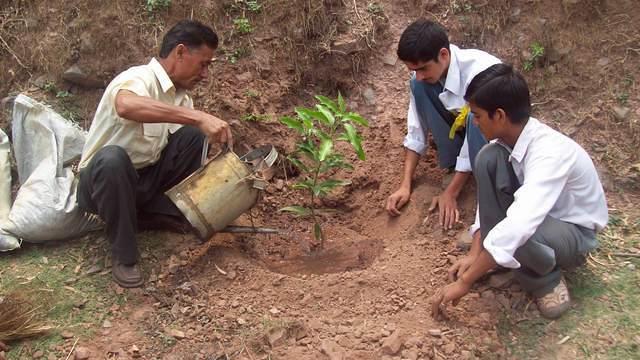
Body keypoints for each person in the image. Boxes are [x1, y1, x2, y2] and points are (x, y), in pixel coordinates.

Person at [431, 64, 608, 319]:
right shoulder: (506, 144)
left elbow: (519, 224)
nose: (475, 122)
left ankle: (546, 280)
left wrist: (466, 281)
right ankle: (495, 256)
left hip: (574, 234)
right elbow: (490, 204)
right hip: (543, 219)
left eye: (478, 115)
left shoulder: (548, 154)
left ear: (499, 115)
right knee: (486, 159)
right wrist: (476, 252)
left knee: (518, 231)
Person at [77, 20, 233, 288]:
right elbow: (126, 105)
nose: (205, 74)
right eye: (203, 64)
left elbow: (178, 146)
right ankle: (124, 256)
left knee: (193, 137)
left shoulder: (181, 97)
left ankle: (154, 215)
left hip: (144, 180)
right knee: (113, 158)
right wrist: (196, 117)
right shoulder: (137, 78)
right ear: (180, 52)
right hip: (103, 184)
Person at [386, 19, 500, 231]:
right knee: (419, 88)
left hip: (496, 136)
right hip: (468, 126)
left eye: (422, 69)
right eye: (413, 69)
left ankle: (486, 220)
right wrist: (405, 185)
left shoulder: (480, 73)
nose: (418, 75)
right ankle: (451, 168)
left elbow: (478, 126)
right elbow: (416, 132)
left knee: (474, 118)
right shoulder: (422, 78)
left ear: (444, 55)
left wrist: (452, 192)